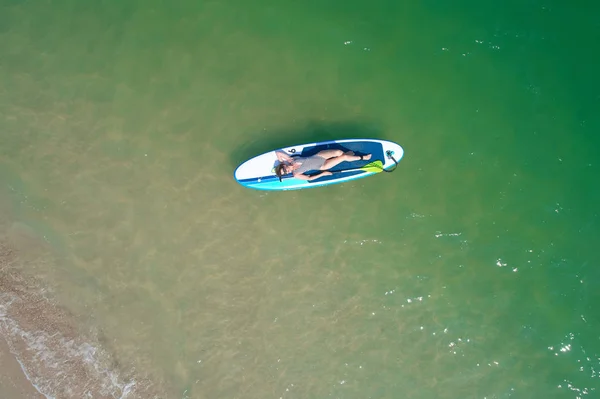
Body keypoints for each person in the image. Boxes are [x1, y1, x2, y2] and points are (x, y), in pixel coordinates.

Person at [274, 149, 372, 181]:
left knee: (339, 152)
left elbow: (278, 153)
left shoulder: (291, 160)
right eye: (285, 173)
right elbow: (309, 178)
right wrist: (322, 174)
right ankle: (364, 157)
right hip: (323, 166)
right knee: (343, 157)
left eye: (285, 169)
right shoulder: (296, 174)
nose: (287, 171)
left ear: (284, 165)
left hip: (319, 156)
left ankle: (348, 154)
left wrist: (282, 161)